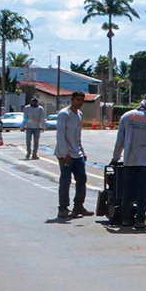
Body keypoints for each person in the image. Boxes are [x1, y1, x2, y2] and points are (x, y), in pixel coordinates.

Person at [110, 94, 146, 229]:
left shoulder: (126, 116)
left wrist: (115, 158)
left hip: (129, 161)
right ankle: (140, 219)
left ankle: (126, 219)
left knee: (127, 191)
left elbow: (120, 141)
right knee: (143, 192)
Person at [54, 90, 91, 219]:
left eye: (81, 100)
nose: (79, 103)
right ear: (72, 99)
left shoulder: (79, 114)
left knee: (82, 180)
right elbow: (60, 135)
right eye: (77, 100)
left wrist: (82, 151)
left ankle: (78, 207)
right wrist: (65, 154)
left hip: (77, 153)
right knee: (65, 181)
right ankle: (63, 209)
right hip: (65, 154)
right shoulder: (64, 114)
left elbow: (78, 136)